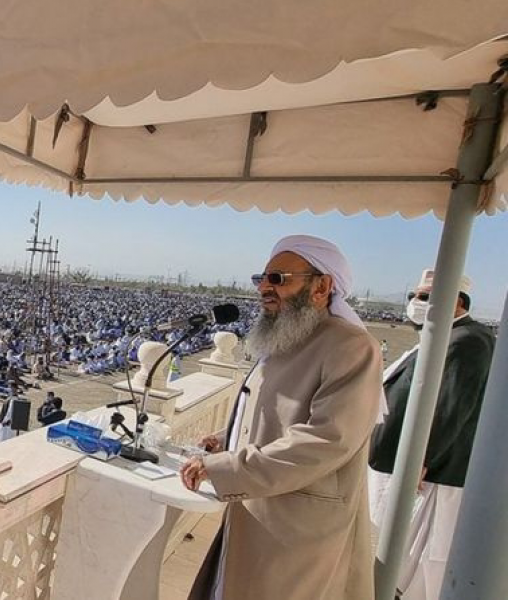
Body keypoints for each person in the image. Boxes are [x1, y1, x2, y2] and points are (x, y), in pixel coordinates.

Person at [180, 235, 382, 600]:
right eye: (262, 278)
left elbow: (326, 440)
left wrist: (227, 466)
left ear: (322, 286)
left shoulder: (350, 347)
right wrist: (227, 439)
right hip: (257, 505)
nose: (264, 288)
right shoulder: (287, 335)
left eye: (279, 278)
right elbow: (274, 411)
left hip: (297, 524)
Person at [368, 270, 495, 600]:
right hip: (403, 465)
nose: (414, 303)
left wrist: (422, 458)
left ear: (456, 302)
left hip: (430, 476)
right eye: (414, 296)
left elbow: (453, 406)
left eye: (424, 297)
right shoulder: (441, 336)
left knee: (418, 565)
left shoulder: (468, 339)